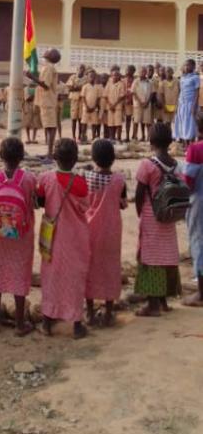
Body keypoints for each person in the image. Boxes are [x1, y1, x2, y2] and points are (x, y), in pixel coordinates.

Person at [37, 138, 89, 339]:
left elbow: (40, 200)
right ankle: (76, 324)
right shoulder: (80, 182)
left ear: (54, 157)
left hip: (52, 236)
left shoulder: (46, 178)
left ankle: (47, 321)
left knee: (50, 277)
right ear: (75, 159)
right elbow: (85, 207)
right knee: (75, 278)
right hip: (76, 238)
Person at [0, 136, 36, 336]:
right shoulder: (29, 179)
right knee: (20, 272)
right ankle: (20, 323)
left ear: (1, 155)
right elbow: (33, 203)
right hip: (21, 235)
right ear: (22, 156)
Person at [134, 122, 182, 316]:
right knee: (167, 255)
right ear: (169, 142)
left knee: (150, 258)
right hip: (169, 217)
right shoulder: (176, 165)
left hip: (151, 216)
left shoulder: (147, 165)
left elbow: (139, 194)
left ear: (151, 141)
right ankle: (163, 301)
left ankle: (152, 304)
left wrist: (140, 212)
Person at [84, 139, 127, 327]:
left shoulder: (87, 178)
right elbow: (123, 204)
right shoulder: (119, 180)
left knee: (90, 268)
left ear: (94, 158)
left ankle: (90, 313)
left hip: (90, 229)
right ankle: (109, 313)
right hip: (111, 230)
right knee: (110, 267)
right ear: (113, 158)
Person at [182, 115, 203, 307]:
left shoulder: (195, 150)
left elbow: (187, 181)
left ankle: (201, 294)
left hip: (199, 200)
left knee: (198, 242)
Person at [29, 49, 61, 160]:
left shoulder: (49, 68)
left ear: (51, 56)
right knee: (48, 126)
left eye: (48, 51)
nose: (46, 51)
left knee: (51, 127)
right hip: (45, 101)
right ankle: (48, 153)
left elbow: (46, 85)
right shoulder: (47, 67)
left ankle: (50, 154)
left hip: (48, 101)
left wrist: (32, 77)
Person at [175, 58, 200, 144]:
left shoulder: (195, 77)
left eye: (188, 65)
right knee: (182, 123)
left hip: (191, 104)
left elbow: (197, 93)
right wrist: (178, 105)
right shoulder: (182, 78)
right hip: (182, 103)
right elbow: (181, 92)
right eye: (185, 65)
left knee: (190, 124)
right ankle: (185, 144)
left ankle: (191, 144)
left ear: (193, 66)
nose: (186, 67)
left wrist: (194, 106)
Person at [132, 66, 153, 142]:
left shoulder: (149, 82)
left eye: (144, 71)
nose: (143, 73)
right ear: (139, 72)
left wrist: (147, 102)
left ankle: (149, 138)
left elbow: (151, 94)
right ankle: (134, 137)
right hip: (138, 104)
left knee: (147, 122)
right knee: (136, 121)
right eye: (141, 71)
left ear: (146, 73)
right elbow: (133, 93)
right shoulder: (136, 81)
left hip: (147, 104)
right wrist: (140, 102)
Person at [66, 65, 87, 141]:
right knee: (73, 118)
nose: (81, 70)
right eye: (80, 69)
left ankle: (80, 135)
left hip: (82, 100)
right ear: (77, 69)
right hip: (74, 99)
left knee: (81, 119)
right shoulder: (72, 77)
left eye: (83, 69)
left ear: (84, 70)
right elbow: (70, 88)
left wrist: (76, 87)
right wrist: (79, 87)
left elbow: (85, 88)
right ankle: (73, 136)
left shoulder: (86, 78)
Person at [80, 70, 101, 143]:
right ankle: (83, 137)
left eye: (93, 76)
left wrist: (94, 106)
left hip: (94, 108)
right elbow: (83, 97)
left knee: (94, 123)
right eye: (90, 76)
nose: (92, 78)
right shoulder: (85, 86)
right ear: (88, 77)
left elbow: (98, 98)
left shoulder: (97, 87)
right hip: (86, 108)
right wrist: (87, 106)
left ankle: (93, 137)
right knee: (84, 123)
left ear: (95, 77)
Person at [105, 68, 125, 142]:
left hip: (118, 106)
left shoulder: (121, 84)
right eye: (114, 75)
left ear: (119, 76)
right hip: (110, 106)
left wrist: (114, 104)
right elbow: (105, 95)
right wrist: (110, 105)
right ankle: (111, 137)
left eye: (117, 75)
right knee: (111, 123)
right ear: (111, 76)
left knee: (118, 123)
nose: (115, 76)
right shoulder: (109, 84)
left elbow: (122, 96)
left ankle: (118, 138)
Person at [124, 65, 136, 143]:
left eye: (129, 70)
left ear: (133, 71)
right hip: (127, 103)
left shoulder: (136, 80)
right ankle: (127, 136)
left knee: (135, 120)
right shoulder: (123, 80)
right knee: (127, 119)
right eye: (126, 70)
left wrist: (131, 99)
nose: (127, 71)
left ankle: (134, 136)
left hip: (135, 103)